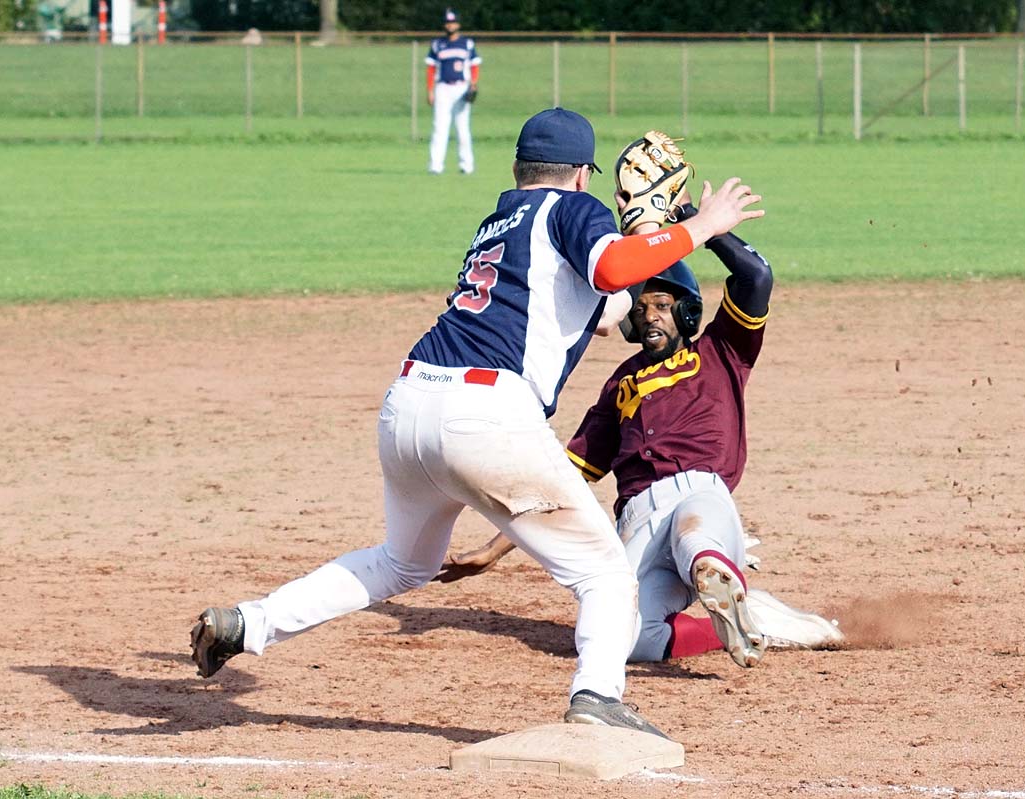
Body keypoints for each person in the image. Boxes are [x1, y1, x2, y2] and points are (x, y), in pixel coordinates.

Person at [189, 108, 765, 740]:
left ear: (519, 168)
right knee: (604, 576)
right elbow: (610, 271)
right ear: (580, 176)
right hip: (487, 416)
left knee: (402, 564)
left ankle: (249, 623)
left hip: (409, 401)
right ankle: (597, 697)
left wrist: (652, 234)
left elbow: (608, 309)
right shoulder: (571, 210)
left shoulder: (500, 221)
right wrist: (701, 226)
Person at [435, 189, 845, 668]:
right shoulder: (620, 385)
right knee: (622, 637)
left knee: (698, 543)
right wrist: (494, 549)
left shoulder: (720, 352)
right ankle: (742, 619)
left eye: (663, 305)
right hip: (636, 523)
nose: (649, 315)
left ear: (687, 311)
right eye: (641, 307)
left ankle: (715, 573)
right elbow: (567, 480)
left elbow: (756, 276)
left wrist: (695, 219)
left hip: (698, 495)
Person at [426, 8, 480, 175]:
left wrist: (473, 84)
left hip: (461, 87)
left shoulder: (467, 44)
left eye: (453, 22)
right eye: (448, 22)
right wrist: (430, 90)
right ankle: (436, 166)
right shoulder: (437, 44)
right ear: (445, 24)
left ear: (458, 24)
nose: (450, 25)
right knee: (439, 127)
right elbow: (430, 69)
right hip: (442, 88)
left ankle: (466, 165)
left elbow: (474, 66)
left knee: (462, 128)